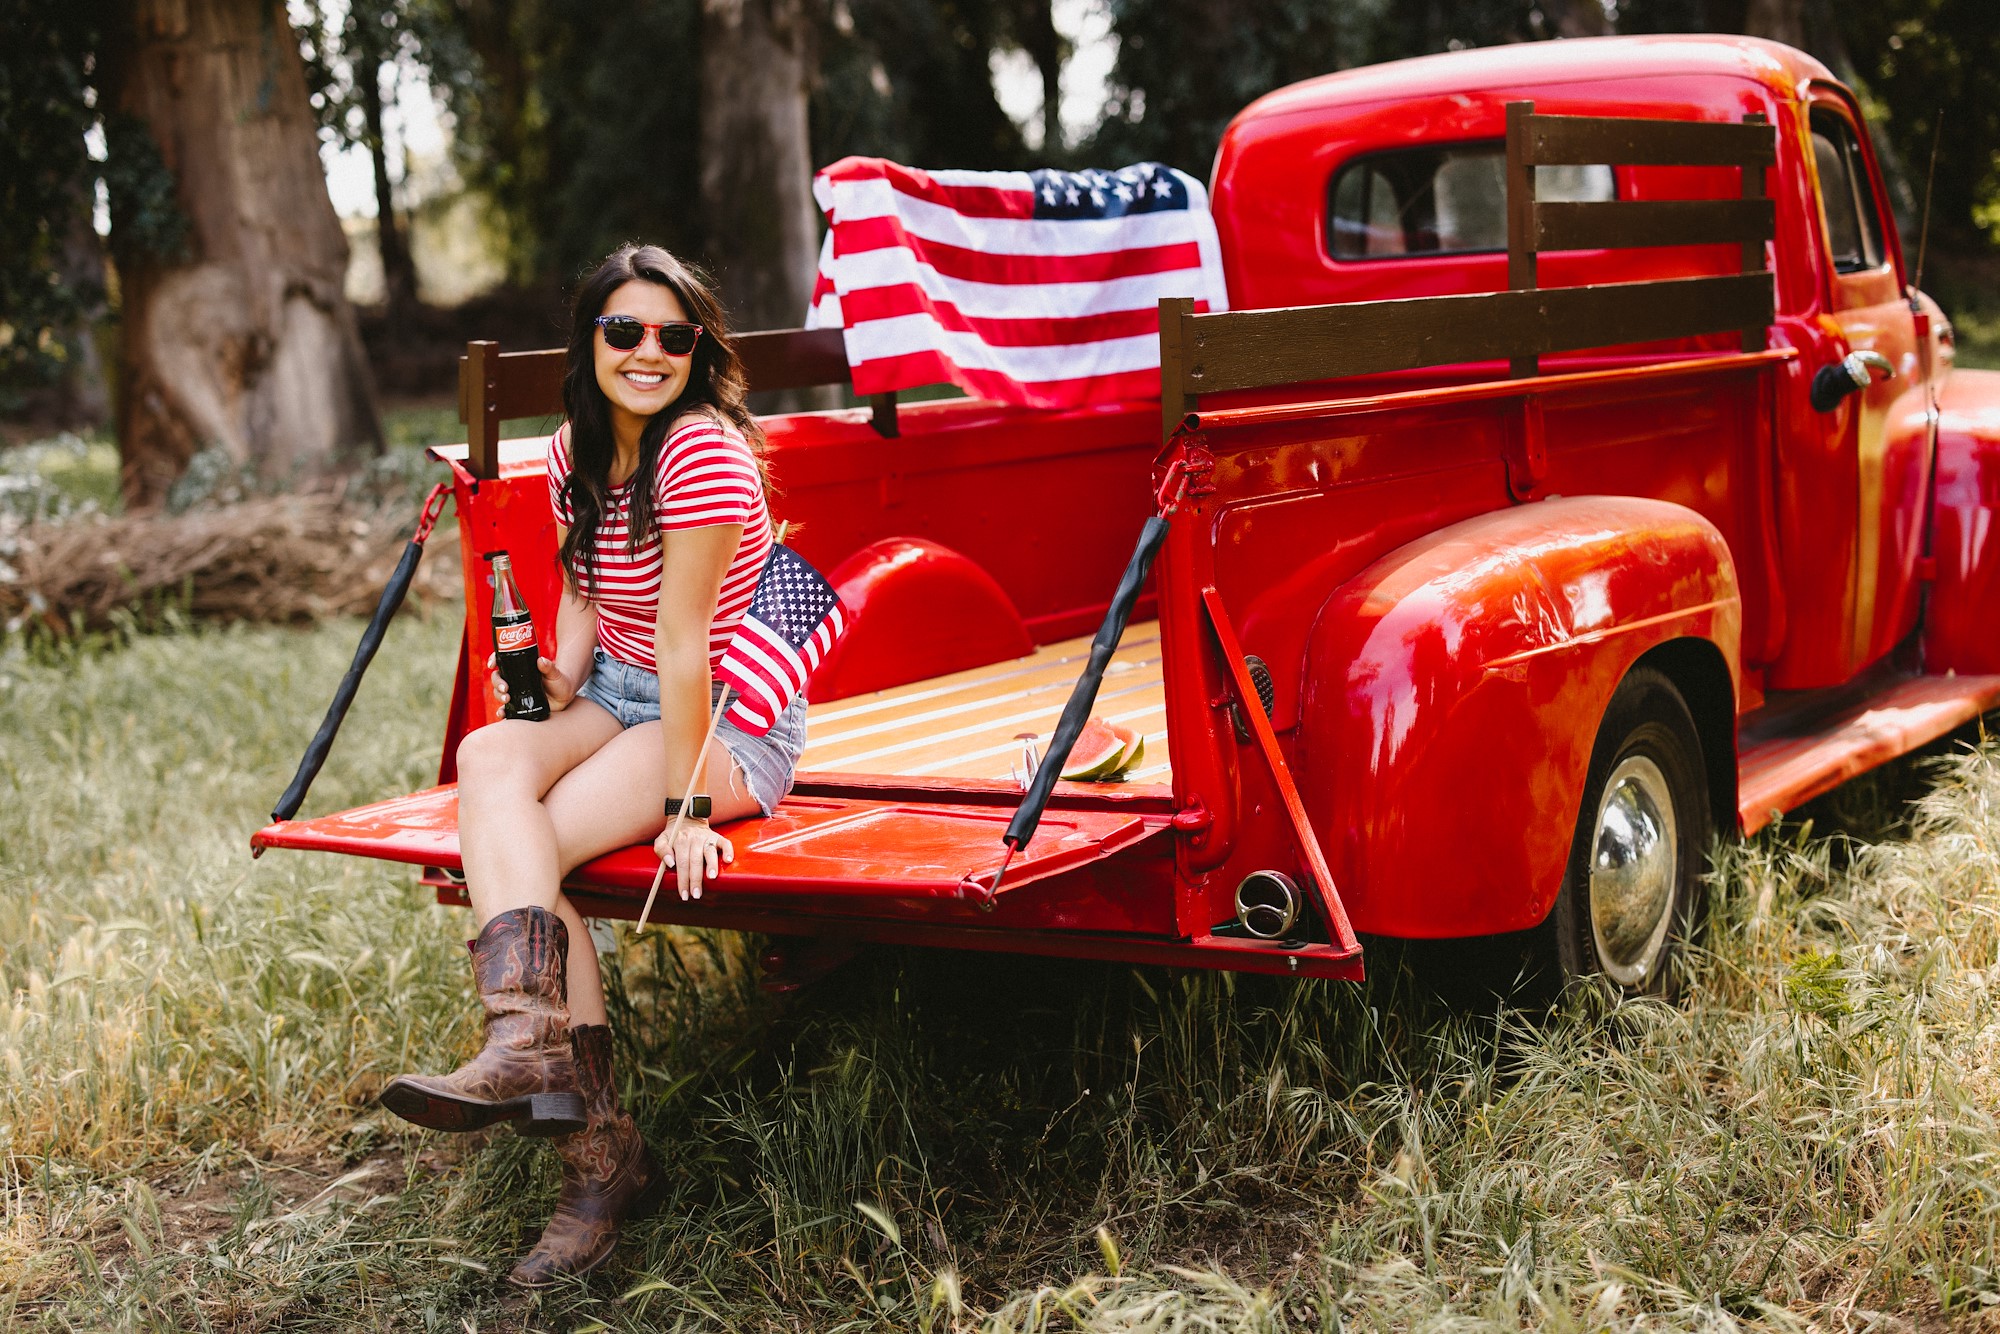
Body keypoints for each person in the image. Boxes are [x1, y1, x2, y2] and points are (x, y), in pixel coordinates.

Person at [376, 244, 808, 1285]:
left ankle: (596, 1161)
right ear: (591, 343)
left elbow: (685, 642)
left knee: (540, 854)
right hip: (617, 687)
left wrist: (688, 805)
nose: (648, 350)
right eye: (625, 330)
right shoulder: (576, 443)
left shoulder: (700, 449)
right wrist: (560, 684)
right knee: (490, 753)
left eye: (673, 334)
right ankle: (531, 1043)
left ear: (697, 349)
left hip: (723, 715)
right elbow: (581, 585)